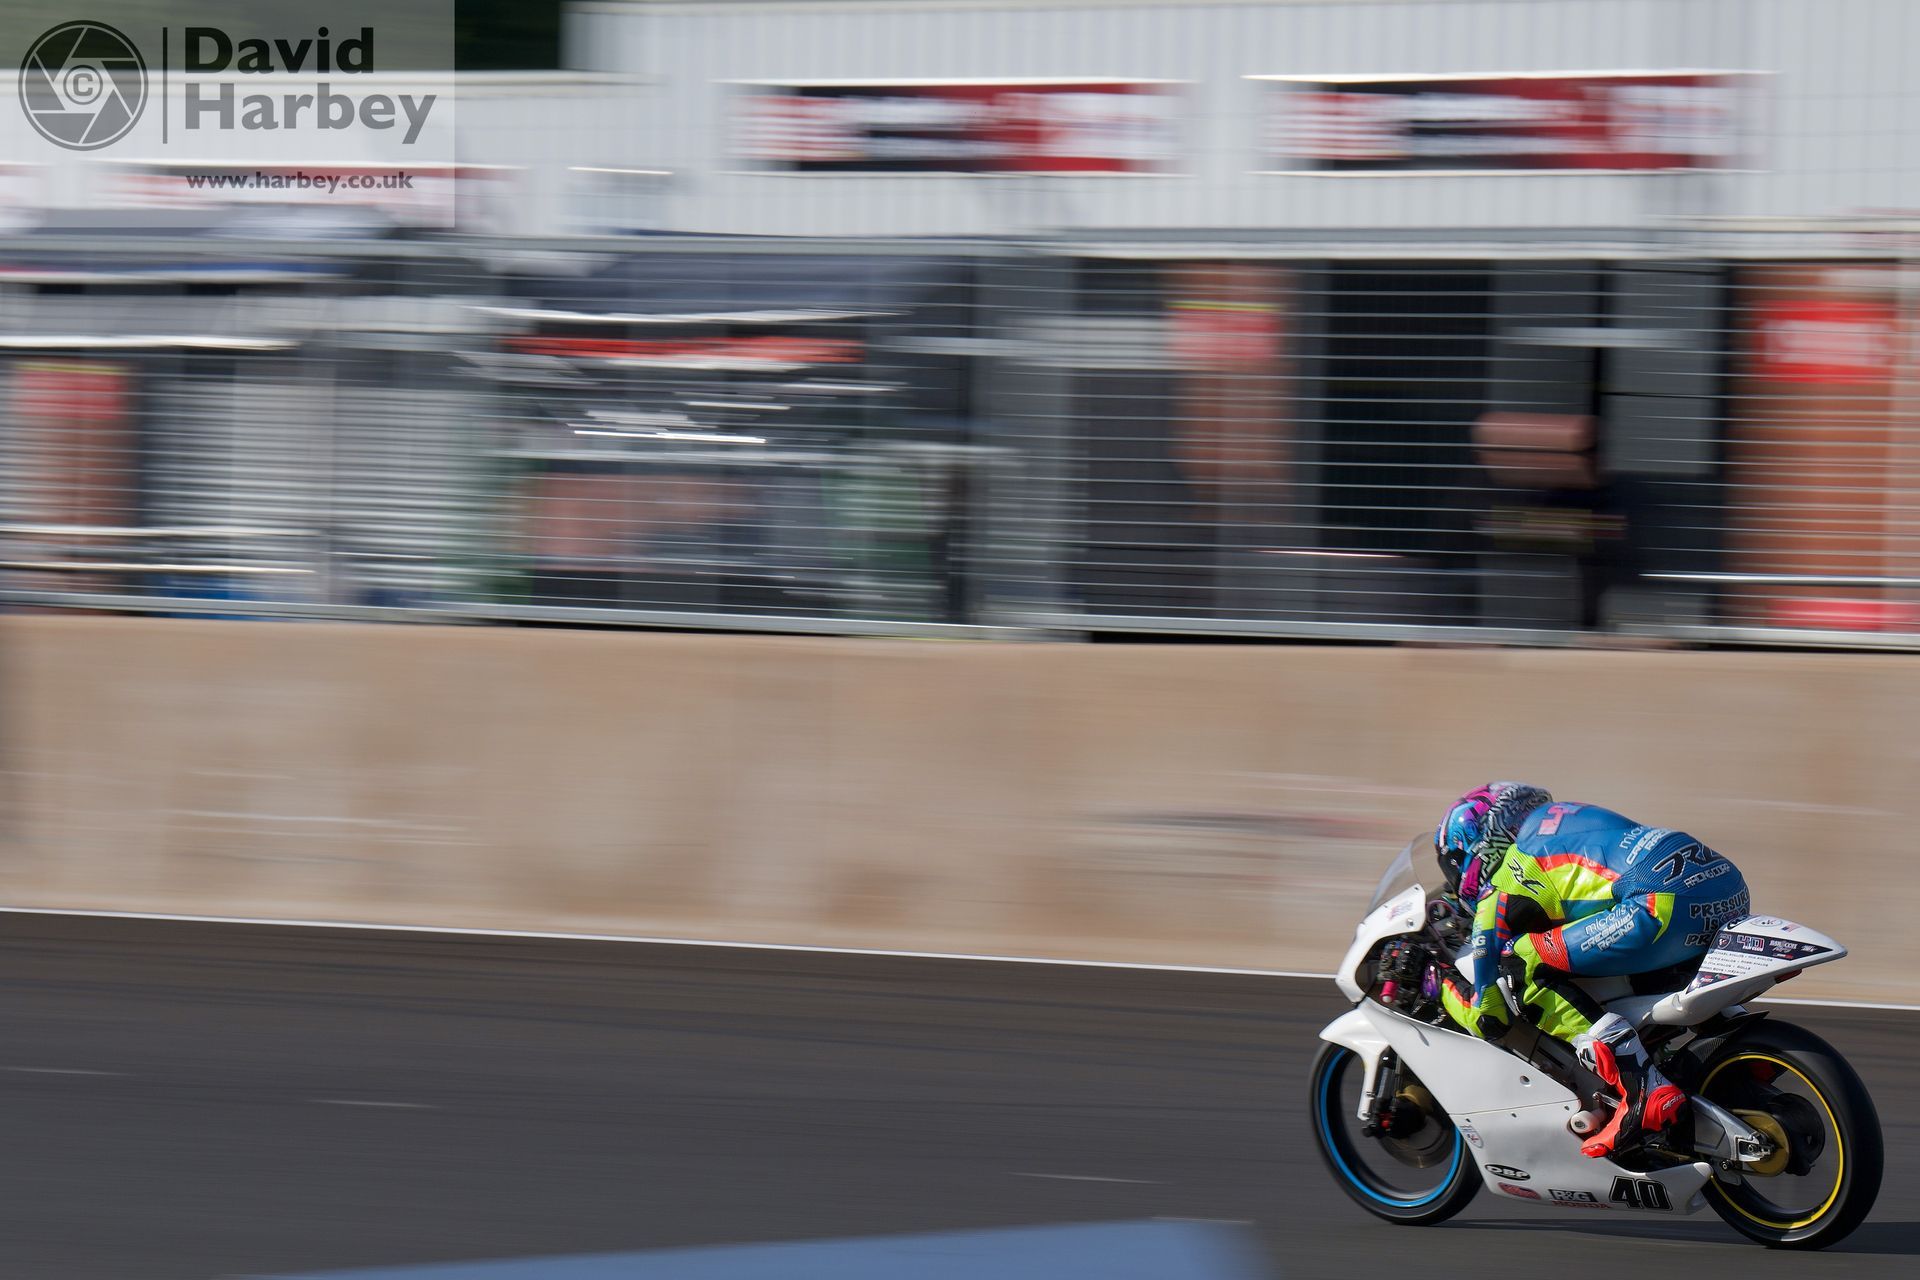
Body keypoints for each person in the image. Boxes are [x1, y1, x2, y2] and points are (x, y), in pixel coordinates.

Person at [1432, 782, 1751, 1159]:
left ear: (1475, 845)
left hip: (1661, 904)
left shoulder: (1510, 872)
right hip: (1728, 888)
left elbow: (1491, 1017)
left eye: (1454, 865)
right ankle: (1736, 1057)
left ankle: (1642, 1085)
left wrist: (1442, 982)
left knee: (1520, 961)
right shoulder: (1563, 819)